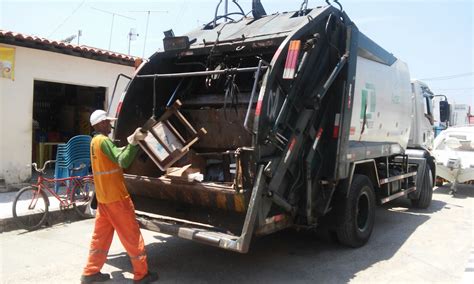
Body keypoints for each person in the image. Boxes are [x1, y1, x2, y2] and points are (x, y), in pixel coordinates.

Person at [81, 110, 158, 284]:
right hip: (117, 199)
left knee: (100, 238)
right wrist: (135, 144)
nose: (110, 125)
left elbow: (114, 155)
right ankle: (141, 274)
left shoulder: (94, 142)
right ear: (100, 124)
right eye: (107, 122)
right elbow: (123, 161)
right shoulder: (104, 140)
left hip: (104, 200)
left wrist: (130, 141)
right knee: (132, 236)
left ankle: (90, 272)